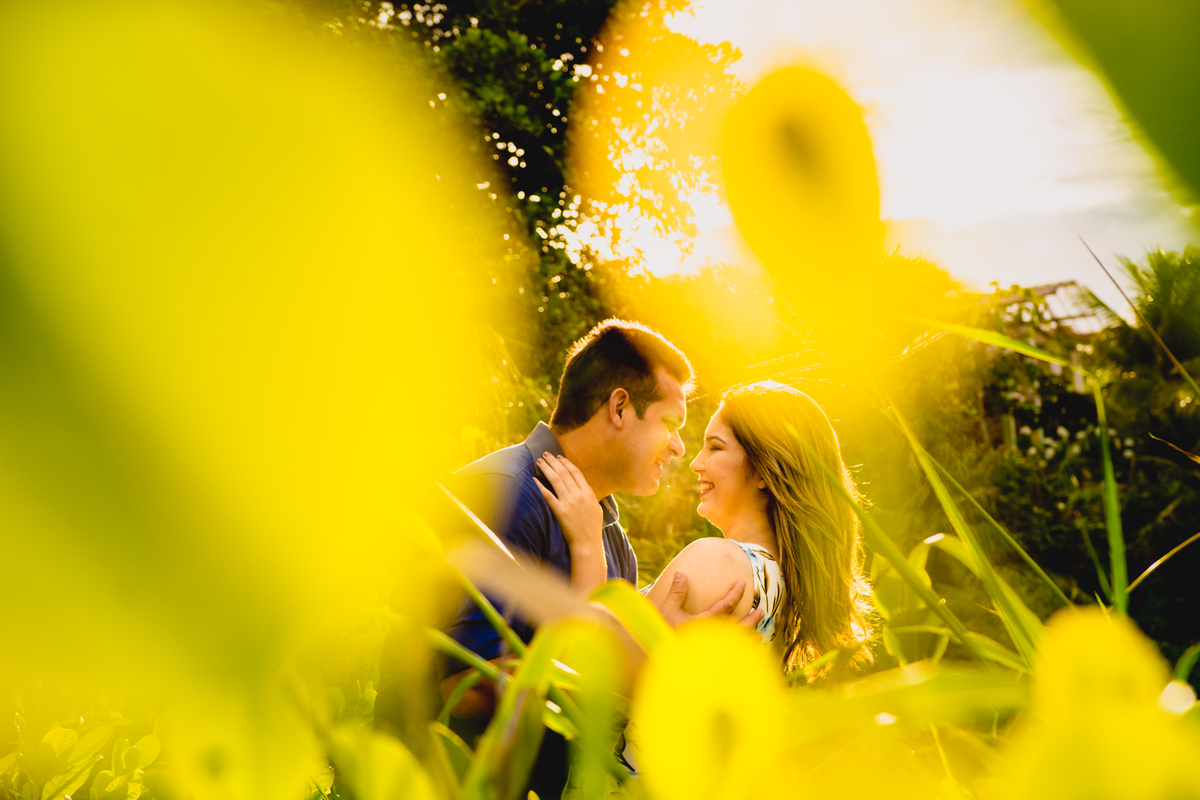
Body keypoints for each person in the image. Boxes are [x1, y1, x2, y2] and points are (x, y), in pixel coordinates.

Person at [436, 319, 762, 800]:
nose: (679, 447)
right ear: (620, 408)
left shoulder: (615, 545)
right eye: (670, 424)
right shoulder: (504, 494)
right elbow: (463, 687)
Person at [537, 380, 874, 674]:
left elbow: (582, 675)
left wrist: (588, 546)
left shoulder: (718, 561)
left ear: (764, 469)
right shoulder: (776, 582)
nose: (696, 463)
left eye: (715, 447)